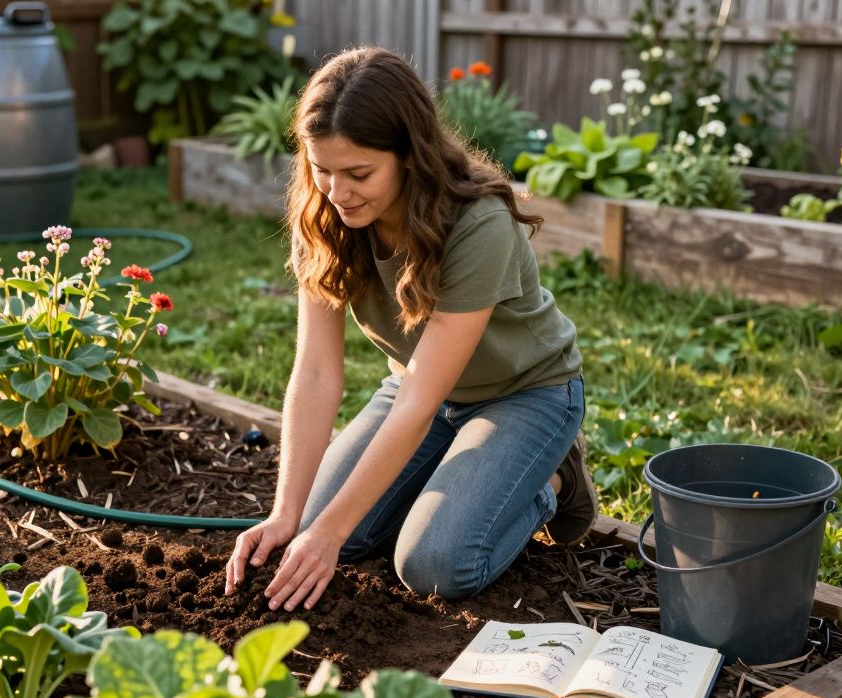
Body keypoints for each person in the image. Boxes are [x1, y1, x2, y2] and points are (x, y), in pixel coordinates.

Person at [223, 47, 597, 613]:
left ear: (410, 156)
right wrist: (289, 516)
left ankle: (555, 480)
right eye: (321, 168)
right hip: (417, 393)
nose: (337, 191)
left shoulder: (478, 223)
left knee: (433, 566)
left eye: (359, 174)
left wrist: (324, 531)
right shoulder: (323, 215)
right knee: (331, 535)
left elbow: (421, 400)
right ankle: (458, 478)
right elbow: (318, 372)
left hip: (522, 395)